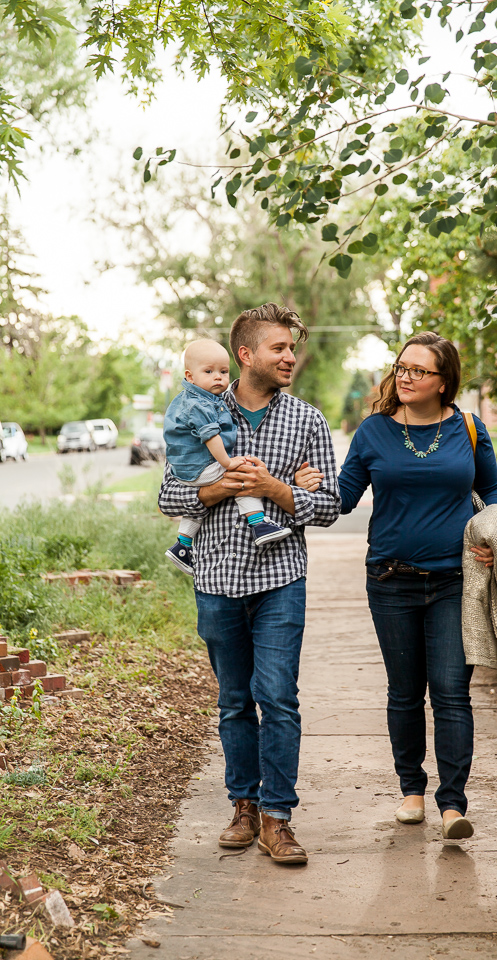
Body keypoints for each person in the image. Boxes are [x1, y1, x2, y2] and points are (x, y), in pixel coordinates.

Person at [298, 332, 497, 840]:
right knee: (405, 692)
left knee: (453, 693)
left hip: (456, 581)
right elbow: (343, 499)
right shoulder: (373, 432)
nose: (407, 377)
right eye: (402, 367)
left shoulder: (469, 428)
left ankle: (453, 806)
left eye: (420, 370)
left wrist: (493, 535)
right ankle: (411, 790)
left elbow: (492, 489)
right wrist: (312, 485)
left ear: (444, 380)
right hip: (390, 581)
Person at [157, 303, 341, 865]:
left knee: (277, 697)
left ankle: (277, 819)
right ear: (245, 354)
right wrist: (215, 490)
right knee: (235, 700)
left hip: (281, 576)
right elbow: (169, 495)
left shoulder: (307, 421)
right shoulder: (196, 408)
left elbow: (330, 504)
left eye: (292, 348)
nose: (290, 357)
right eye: (279, 348)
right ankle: (243, 805)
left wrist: (276, 488)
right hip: (215, 578)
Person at [163, 339, 291, 575]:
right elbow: (211, 436)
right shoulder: (198, 404)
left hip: (187, 470)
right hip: (200, 466)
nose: (218, 377)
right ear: (190, 376)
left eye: (223, 371)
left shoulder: (190, 400)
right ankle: (258, 524)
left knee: (201, 502)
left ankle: (183, 544)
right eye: (209, 371)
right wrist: (228, 463)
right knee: (243, 474)